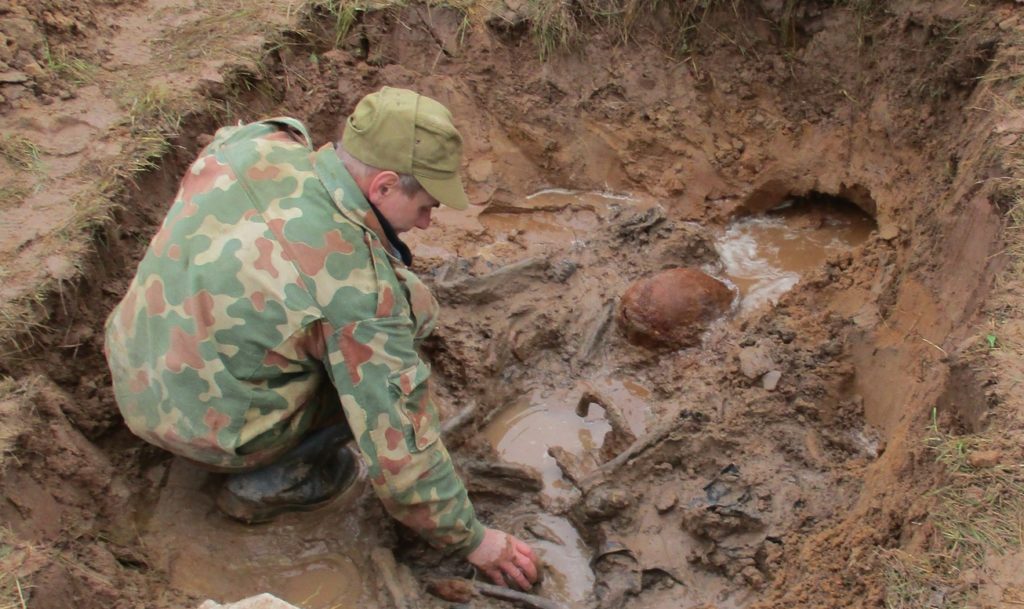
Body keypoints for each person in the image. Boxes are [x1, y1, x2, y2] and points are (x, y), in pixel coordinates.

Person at [104, 86, 540, 590]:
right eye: (426, 204)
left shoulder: (257, 142)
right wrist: (475, 541)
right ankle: (266, 484)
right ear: (381, 188)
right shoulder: (358, 291)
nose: (428, 220)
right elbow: (401, 455)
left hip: (132, 356)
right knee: (375, 372)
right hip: (209, 434)